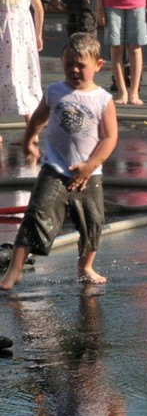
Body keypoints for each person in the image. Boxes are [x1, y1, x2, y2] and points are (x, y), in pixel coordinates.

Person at [0, 32, 118, 291]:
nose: (74, 70)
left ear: (98, 66)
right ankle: (14, 270)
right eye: (69, 64)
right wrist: (29, 138)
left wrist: (90, 165)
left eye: (81, 65)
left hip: (89, 173)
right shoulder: (55, 91)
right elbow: (39, 117)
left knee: (92, 221)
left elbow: (110, 138)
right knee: (35, 215)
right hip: (54, 169)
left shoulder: (102, 100)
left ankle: (85, 265)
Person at [0, 0, 44, 131]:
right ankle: (31, 132)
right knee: (24, 78)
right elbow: (39, 8)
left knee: (3, 77)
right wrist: (38, 34)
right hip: (24, 35)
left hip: (3, 34)